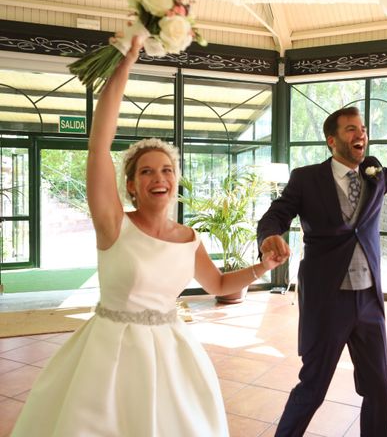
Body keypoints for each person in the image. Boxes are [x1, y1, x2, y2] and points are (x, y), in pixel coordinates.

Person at [11, 37, 287, 437]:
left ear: (176, 181)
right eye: (146, 172)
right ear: (131, 186)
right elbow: (97, 146)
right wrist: (124, 64)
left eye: (166, 170)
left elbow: (220, 284)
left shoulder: (189, 238)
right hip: (109, 354)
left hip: (171, 354)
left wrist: (262, 267)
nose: (159, 177)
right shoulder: (113, 224)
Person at [257, 100, 387, 436]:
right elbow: (278, 213)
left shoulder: (377, 177)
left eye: (363, 130)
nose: (361, 135)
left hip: (368, 300)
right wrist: (270, 235)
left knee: (378, 388)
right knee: (312, 388)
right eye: (351, 129)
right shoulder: (306, 179)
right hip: (329, 300)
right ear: (332, 140)